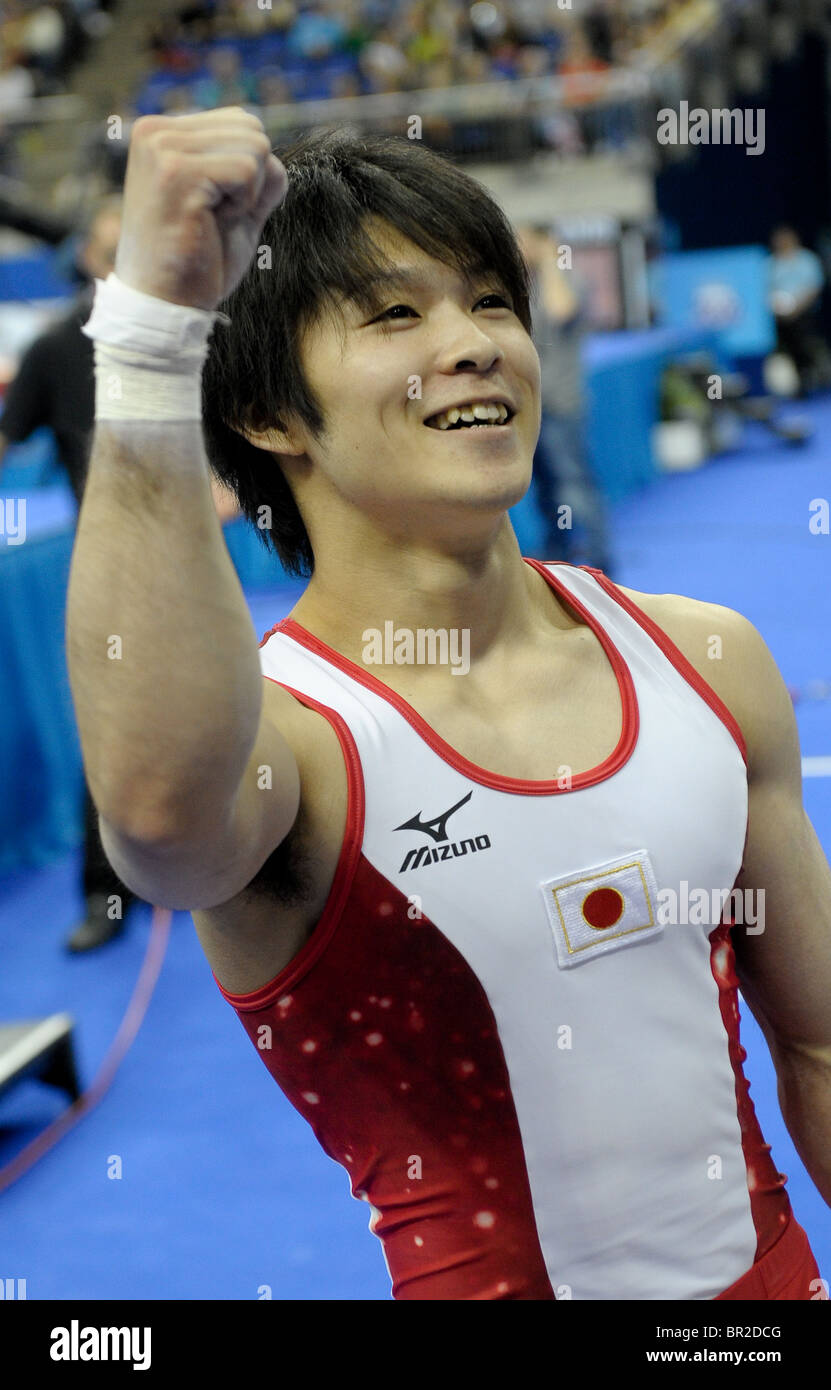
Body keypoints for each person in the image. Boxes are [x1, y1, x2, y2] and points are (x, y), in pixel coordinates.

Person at [68, 108, 830, 1300]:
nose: (475, 344)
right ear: (270, 416)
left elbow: (820, 1045)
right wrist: (155, 337)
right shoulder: (298, 751)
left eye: (489, 300)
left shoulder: (709, 661)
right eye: (394, 314)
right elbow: (158, 815)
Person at [0, 192, 239, 952]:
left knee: (223, 706)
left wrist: (230, 492)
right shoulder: (57, 346)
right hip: (107, 575)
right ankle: (108, 896)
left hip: (196, 562)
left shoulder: (197, 339)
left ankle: (221, 857)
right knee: (114, 731)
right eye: (114, 247)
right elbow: (8, 439)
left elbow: (241, 435)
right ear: (94, 263)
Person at [517, 223, 613, 575]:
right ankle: (557, 561)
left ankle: (601, 562)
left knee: (575, 484)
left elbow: (560, 313)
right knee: (544, 488)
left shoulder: (567, 280)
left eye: (523, 239)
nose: (517, 246)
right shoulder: (524, 288)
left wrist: (549, 259)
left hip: (561, 404)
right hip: (529, 407)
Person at [767, 225, 830, 395]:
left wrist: (797, 307)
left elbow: (814, 286)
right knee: (786, 351)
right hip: (779, 318)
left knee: (808, 347)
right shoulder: (771, 263)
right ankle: (795, 386)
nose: (782, 242)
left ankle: (817, 378)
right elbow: (765, 290)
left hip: (805, 314)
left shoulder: (807, 259)